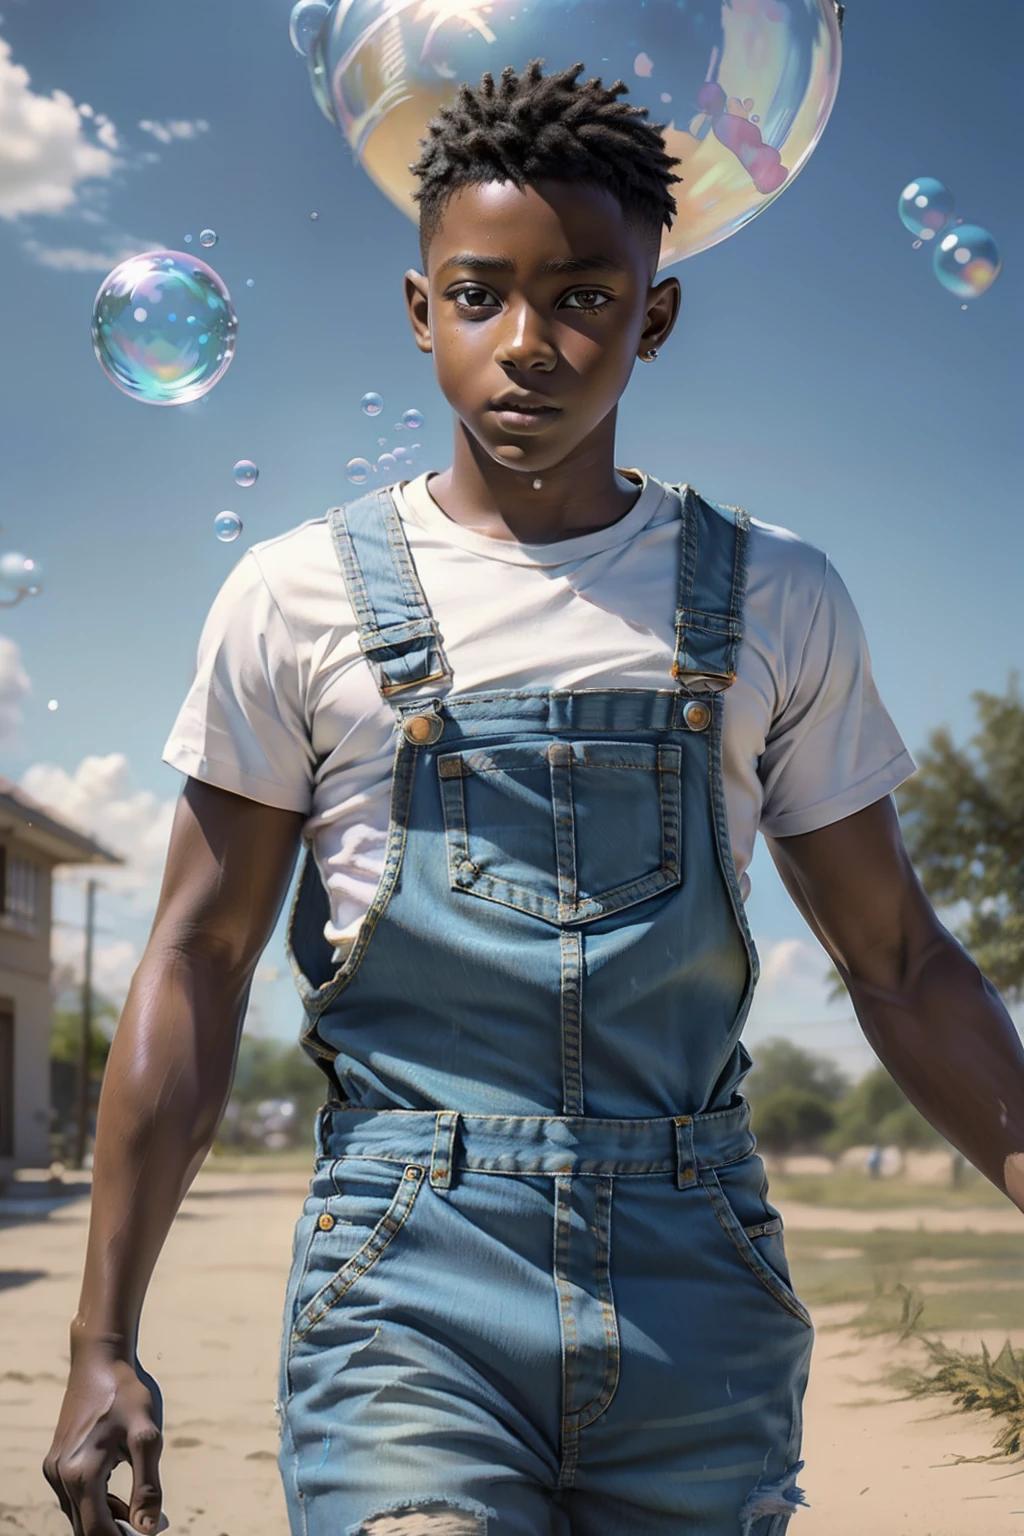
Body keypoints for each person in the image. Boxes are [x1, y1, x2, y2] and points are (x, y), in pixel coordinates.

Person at [44, 57, 1024, 1536]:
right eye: (481, 292)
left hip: (702, 1284)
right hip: (405, 1279)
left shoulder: (777, 596)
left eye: (584, 296)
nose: (530, 344)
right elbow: (196, 954)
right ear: (419, 306)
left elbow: (896, 962)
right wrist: (100, 1336)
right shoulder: (295, 597)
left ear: (658, 313)